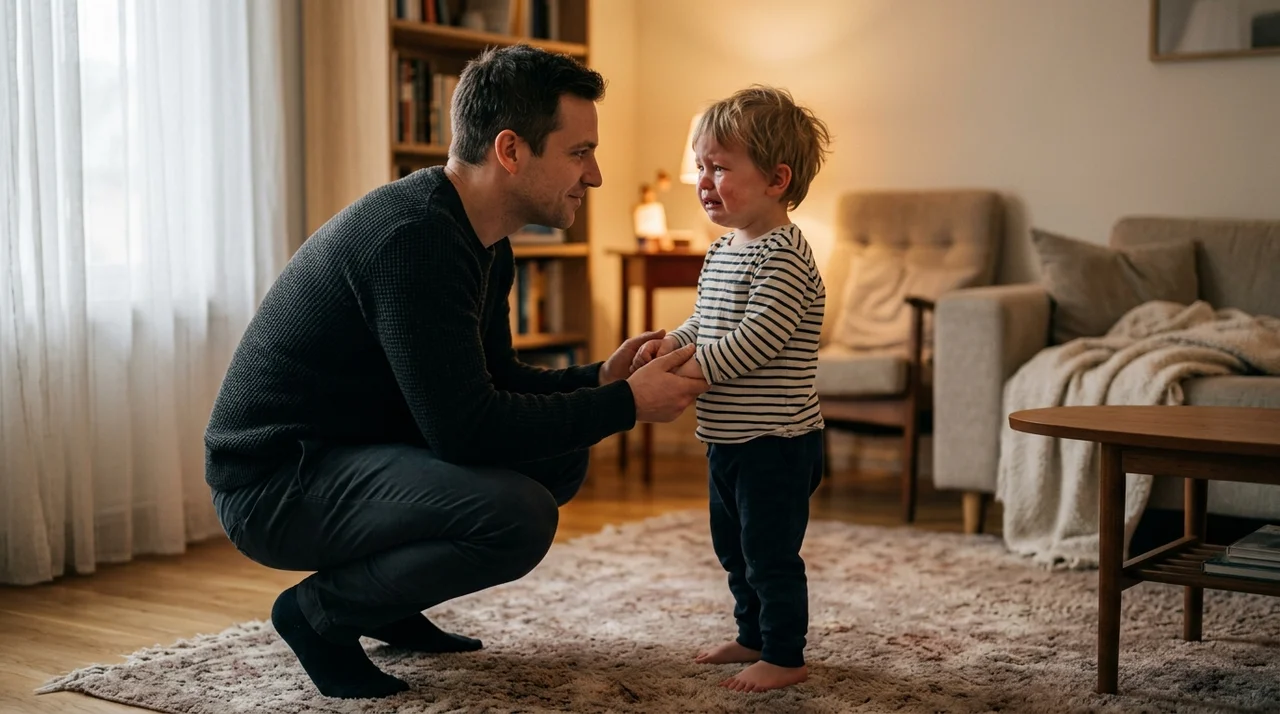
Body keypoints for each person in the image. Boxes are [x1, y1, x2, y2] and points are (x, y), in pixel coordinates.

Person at [204, 45, 708, 699]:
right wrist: (625, 406)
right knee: (517, 515)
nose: (596, 176)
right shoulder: (416, 240)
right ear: (510, 150)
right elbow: (466, 431)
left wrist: (601, 381)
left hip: (350, 454)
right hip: (276, 483)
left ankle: (381, 603)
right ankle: (319, 616)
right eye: (579, 152)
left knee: (557, 460)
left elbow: (491, 384)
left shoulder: (482, 239)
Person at [631, 85, 831, 693]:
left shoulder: (786, 259)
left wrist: (683, 376)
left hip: (777, 440)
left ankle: (784, 653)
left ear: (777, 178)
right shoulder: (721, 252)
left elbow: (755, 342)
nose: (704, 180)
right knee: (734, 549)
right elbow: (707, 323)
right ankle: (751, 634)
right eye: (701, 166)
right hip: (727, 437)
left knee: (770, 553)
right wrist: (670, 346)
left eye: (720, 167)